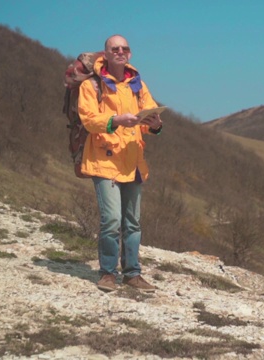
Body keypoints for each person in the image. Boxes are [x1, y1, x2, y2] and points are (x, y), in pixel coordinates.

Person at [78, 34, 163, 292]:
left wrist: (156, 124)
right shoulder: (91, 85)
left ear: (130, 53)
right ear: (106, 53)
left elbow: (149, 116)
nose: (120, 51)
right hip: (105, 161)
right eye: (115, 48)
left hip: (133, 161)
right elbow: (89, 119)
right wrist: (116, 120)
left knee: (133, 222)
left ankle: (132, 274)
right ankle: (107, 273)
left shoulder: (138, 85)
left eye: (125, 48)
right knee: (112, 220)